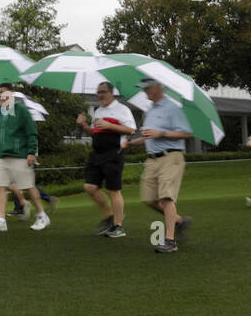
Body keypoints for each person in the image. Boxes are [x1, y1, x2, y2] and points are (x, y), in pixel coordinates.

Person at [127, 77, 193, 254]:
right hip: (152, 160)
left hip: (171, 157)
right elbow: (150, 135)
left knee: (166, 198)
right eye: (143, 88)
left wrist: (161, 133)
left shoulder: (173, 108)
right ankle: (179, 221)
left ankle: (170, 241)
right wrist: (131, 143)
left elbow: (187, 134)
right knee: (149, 199)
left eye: (147, 87)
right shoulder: (150, 110)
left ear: (159, 87)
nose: (144, 91)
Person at [0, 86, 50, 233]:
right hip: (2, 156)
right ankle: (1, 221)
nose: (2, 95)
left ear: (12, 93)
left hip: (19, 155)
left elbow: (32, 132)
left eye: (5, 92)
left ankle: (42, 215)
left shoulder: (21, 110)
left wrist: (31, 152)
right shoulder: (1, 112)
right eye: (1, 93)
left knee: (28, 187)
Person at [76, 81, 136, 238]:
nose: (100, 95)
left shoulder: (122, 109)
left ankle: (118, 226)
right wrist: (84, 125)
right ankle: (110, 217)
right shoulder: (98, 111)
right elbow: (94, 133)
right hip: (96, 154)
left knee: (114, 191)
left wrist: (110, 125)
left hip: (113, 153)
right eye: (98, 92)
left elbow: (131, 129)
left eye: (103, 91)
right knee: (89, 187)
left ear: (111, 93)